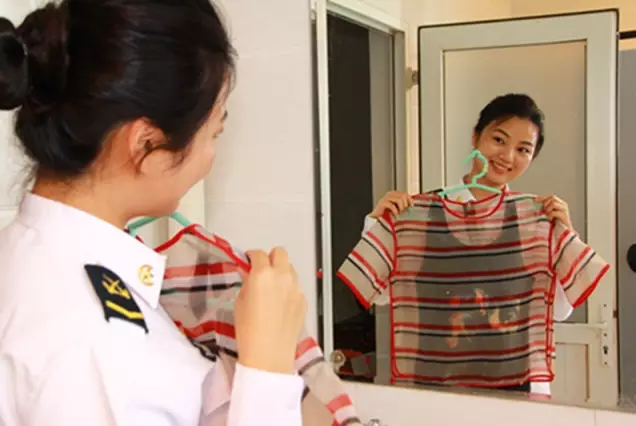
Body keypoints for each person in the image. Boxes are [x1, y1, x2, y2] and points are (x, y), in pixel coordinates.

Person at [0, 1, 307, 425]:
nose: (210, 158)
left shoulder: (37, 263)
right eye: (213, 133)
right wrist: (267, 370)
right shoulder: (92, 340)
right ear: (147, 144)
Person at [357, 94, 590, 395]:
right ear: (476, 136)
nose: (507, 156)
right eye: (499, 139)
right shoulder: (423, 215)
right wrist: (377, 224)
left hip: (515, 386)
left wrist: (565, 237)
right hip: (439, 385)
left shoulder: (534, 224)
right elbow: (380, 293)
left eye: (523, 149)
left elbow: (558, 310)